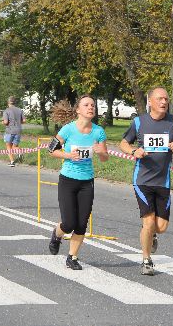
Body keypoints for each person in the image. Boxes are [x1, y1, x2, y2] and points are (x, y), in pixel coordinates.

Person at [119, 87, 173, 276]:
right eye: (160, 99)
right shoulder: (139, 122)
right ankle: (146, 260)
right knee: (148, 222)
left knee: (161, 227)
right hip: (142, 180)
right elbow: (123, 143)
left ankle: (151, 235)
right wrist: (134, 151)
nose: (164, 102)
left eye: (166, 99)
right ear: (150, 102)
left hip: (162, 181)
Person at [47, 95, 109, 270]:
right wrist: (67, 155)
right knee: (69, 223)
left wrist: (101, 152)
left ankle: (72, 257)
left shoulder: (99, 132)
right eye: (86, 105)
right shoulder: (68, 130)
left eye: (93, 105)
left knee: (81, 223)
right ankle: (56, 234)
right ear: (78, 110)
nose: (91, 107)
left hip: (86, 182)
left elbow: (105, 158)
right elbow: (51, 150)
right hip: (68, 180)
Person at [2, 96, 26, 167]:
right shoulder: (20, 110)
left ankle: (12, 162)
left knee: (8, 146)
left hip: (9, 130)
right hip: (18, 130)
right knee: (14, 146)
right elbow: (24, 120)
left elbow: (6, 122)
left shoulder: (6, 110)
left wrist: (3, 122)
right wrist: (18, 122)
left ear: (8, 102)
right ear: (15, 102)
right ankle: (20, 152)